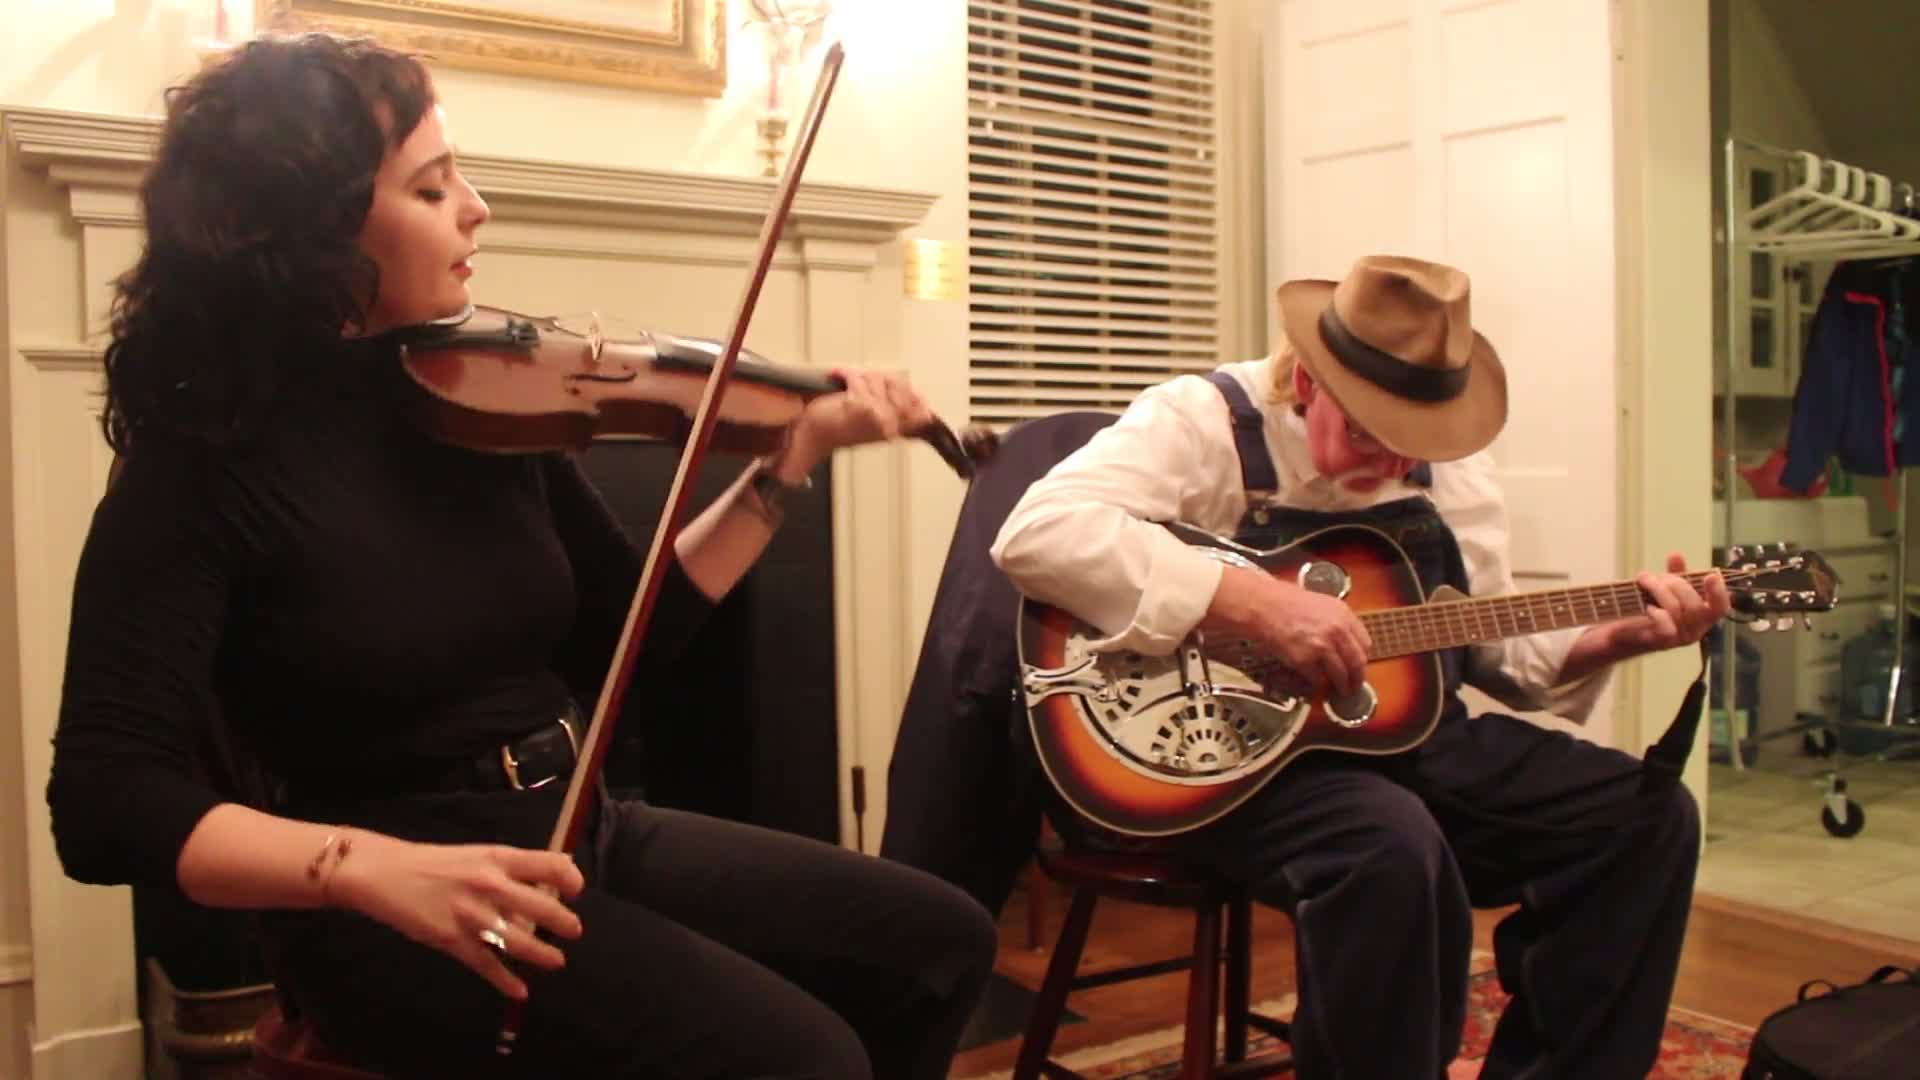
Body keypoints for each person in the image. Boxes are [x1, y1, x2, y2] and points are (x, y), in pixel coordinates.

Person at [46, 32, 996, 1080]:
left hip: (575, 831)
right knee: (805, 1058)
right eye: (431, 186)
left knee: (940, 945)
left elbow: (628, 633)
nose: (476, 208)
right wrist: (371, 871)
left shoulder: (474, 396)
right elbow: (102, 802)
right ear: (313, 235)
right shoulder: (197, 470)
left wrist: (789, 458)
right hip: (395, 910)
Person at [990, 254, 1731, 1080]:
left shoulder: (1450, 462)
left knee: (1648, 817)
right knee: (1389, 845)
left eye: (1413, 445)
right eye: (1369, 431)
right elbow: (1037, 534)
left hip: (1406, 733)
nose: (1394, 462)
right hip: (1220, 755)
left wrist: (1615, 638)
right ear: (1306, 382)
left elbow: (1492, 650)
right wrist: (1249, 601)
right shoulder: (1204, 420)